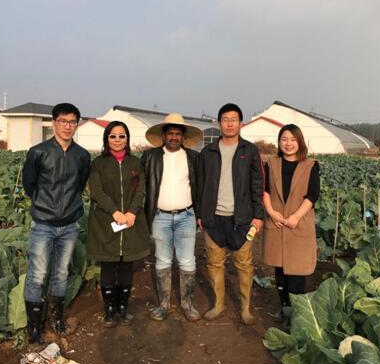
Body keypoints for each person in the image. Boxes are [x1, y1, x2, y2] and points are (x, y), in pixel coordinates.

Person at [22, 103, 91, 344]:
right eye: (63, 121)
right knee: (38, 275)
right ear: (54, 123)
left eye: (72, 122)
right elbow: (29, 185)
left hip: (69, 225)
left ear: (77, 124)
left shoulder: (82, 156)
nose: (67, 126)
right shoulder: (38, 152)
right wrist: (45, 206)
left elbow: (79, 185)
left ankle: (57, 320)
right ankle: (34, 327)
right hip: (43, 223)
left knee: (61, 274)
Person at [197, 103, 264, 326]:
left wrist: (258, 215)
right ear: (219, 123)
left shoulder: (249, 150)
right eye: (225, 120)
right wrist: (200, 214)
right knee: (214, 263)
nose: (229, 124)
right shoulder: (207, 152)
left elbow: (258, 184)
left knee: (244, 265)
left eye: (233, 119)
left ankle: (245, 308)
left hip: (242, 219)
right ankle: (219, 304)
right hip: (213, 218)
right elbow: (200, 185)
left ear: (240, 123)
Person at [86, 121, 150, 327]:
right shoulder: (98, 164)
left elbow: (141, 189)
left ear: (127, 139)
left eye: (121, 136)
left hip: (131, 222)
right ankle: (109, 310)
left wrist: (131, 212)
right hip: (107, 221)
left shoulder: (135, 163)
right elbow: (97, 191)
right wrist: (115, 212)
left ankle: (123, 308)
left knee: (126, 266)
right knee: (108, 265)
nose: (117, 140)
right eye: (112, 136)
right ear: (106, 139)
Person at [141, 113, 202, 322]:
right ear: (163, 136)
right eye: (170, 133)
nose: (174, 137)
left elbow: (200, 188)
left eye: (177, 134)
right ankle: (164, 304)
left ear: (183, 137)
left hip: (187, 215)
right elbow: (140, 187)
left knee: (187, 260)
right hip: (160, 217)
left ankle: (187, 304)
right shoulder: (150, 157)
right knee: (162, 259)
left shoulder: (193, 158)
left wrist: (200, 215)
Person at [262, 124, 320, 321]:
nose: (288, 143)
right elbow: (265, 190)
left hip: (298, 224)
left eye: (293, 140)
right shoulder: (271, 164)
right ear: (279, 142)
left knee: (297, 272)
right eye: (284, 139)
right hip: (278, 223)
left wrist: (295, 216)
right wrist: (271, 212)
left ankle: (296, 314)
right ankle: (284, 307)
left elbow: (312, 195)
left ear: (300, 142)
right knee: (280, 271)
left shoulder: (310, 165)